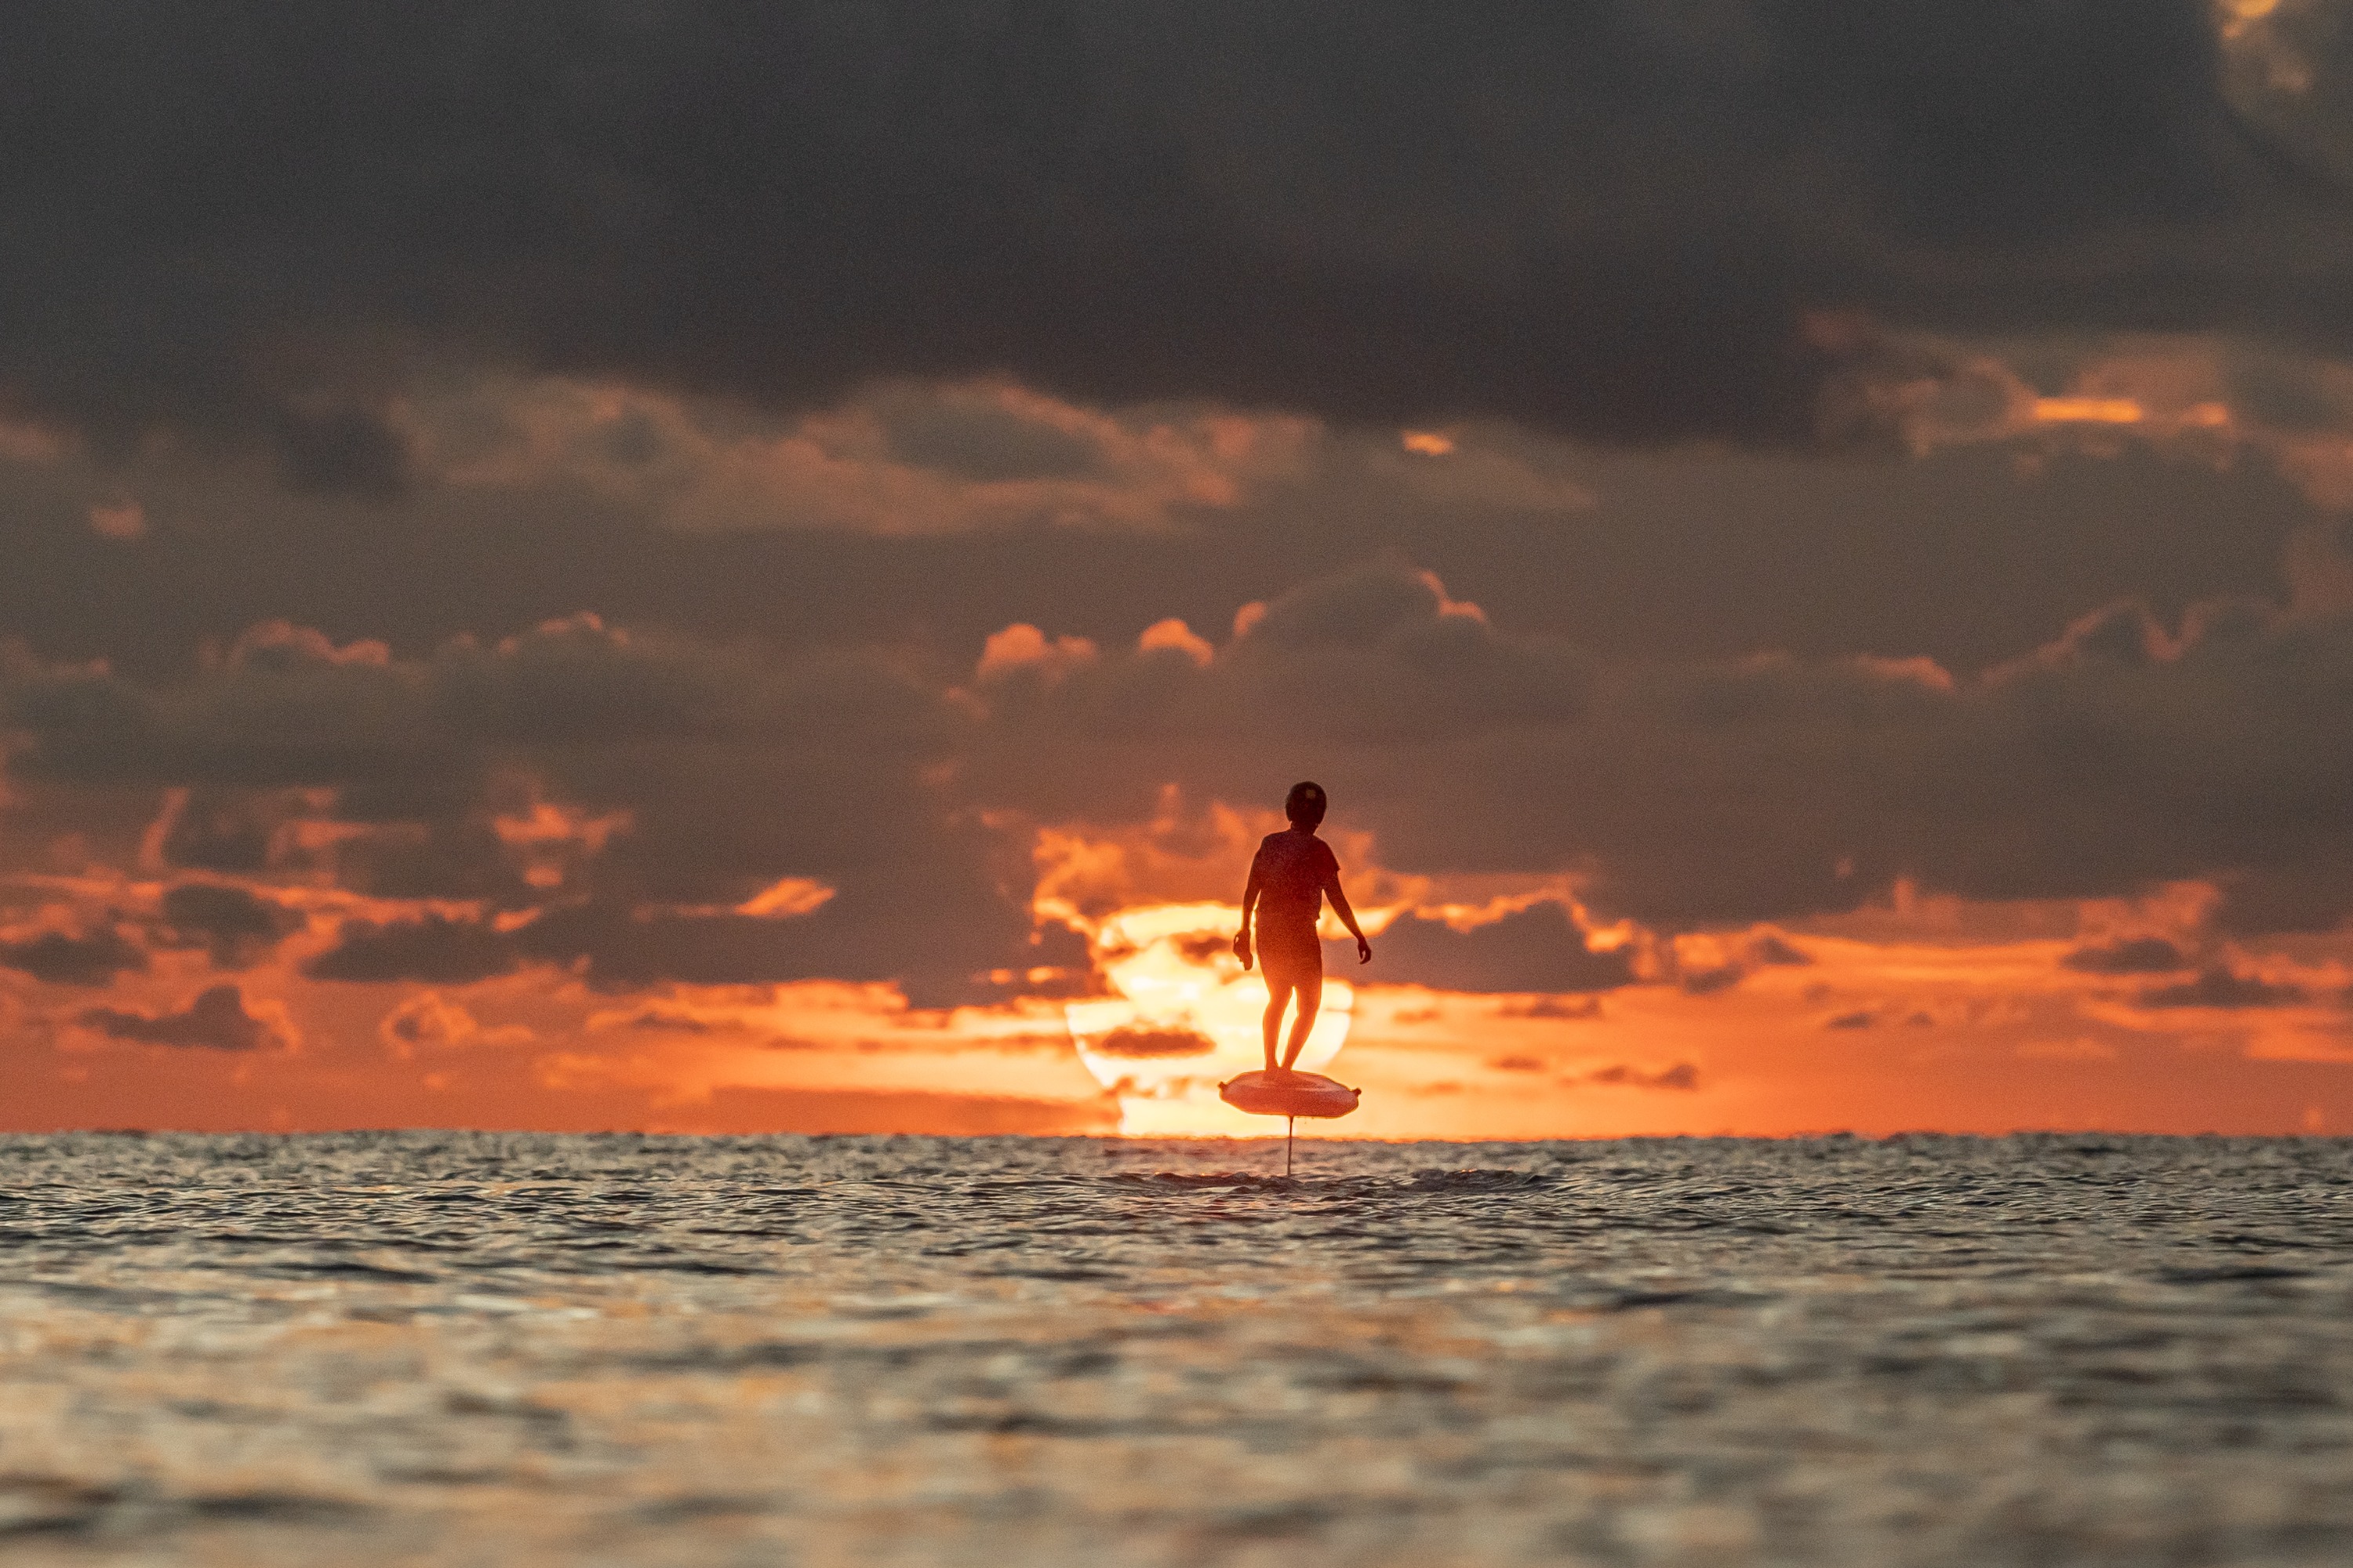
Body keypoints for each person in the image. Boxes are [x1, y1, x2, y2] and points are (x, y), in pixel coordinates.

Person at [1233, 780, 1371, 1075]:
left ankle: (1274, 1067)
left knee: (1281, 997)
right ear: (1320, 815)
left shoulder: (1270, 844)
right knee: (1308, 1004)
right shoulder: (1319, 850)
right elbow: (1337, 898)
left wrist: (1245, 932)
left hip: (1268, 929)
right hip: (1294, 931)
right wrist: (1358, 935)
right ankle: (1281, 1068)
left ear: (1289, 811)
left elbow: (1250, 892)